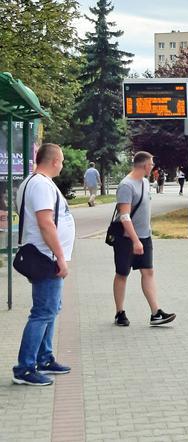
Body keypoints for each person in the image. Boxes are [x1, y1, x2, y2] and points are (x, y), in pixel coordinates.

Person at [13, 143, 75, 386]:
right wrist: (60, 256)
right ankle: (25, 368)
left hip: (43, 254)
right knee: (42, 312)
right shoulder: (40, 184)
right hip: (45, 256)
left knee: (51, 308)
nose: (62, 164)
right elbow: (45, 223)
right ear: (53, 161)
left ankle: (45, 357)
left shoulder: (34, 182)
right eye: (61, 160)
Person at [112, 151, 175, 327]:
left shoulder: (145, 182)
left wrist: (144, 235)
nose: (153, 166)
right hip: (126, 238)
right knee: (122, 274)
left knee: (148, 272)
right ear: (145, 165)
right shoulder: (126, 185)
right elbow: (124, 216)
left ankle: (156, 313)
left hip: (145, 236)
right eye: (151, 163)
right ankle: (120, 313)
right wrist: (135, 240)